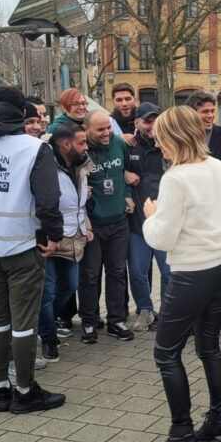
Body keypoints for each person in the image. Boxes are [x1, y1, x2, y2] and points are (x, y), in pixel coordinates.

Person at [0, 86, 65, 413]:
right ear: (22, 113)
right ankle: (24, 390)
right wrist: (53, 235)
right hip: (22, 244)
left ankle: (0, 389)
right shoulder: (34, 149)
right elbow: (48, 200)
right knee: (24, 322)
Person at [141, 106, 221, 442]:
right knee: (209, 347)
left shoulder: (175, 178)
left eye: (161, 137)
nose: (157, 143)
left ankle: (181, 433)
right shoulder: (217, 167)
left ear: (175, 138)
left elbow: (162, 239)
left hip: (192, 271)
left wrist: (150, 217)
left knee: (166, 353)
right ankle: (218, 419)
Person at [78, 110, 135, 343]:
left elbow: (126, 172)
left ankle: (116, 321)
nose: (107, 133)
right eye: (100, 129)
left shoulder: (120, 145)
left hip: (119, 220)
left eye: (108, 128)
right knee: (90, 275)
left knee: (118, 272)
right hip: (93, 223)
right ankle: (89, 322)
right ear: (87, 129)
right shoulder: (81, 150)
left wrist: (128, 194)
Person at [39, 123, 92, 363]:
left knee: (70, 285)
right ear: (65, 144)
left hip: (74, 236)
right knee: (47, 291)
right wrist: (46, 236)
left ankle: (45, 320)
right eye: (82, 142)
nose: (86, 146)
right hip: (49, 238)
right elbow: (41, 204)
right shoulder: (45, 165)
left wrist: (86, 225)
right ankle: (48, 338)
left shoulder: (81, 163)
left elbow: (80, 202)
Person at [125, 102, 169, 332]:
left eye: (155, 120)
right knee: (137, 271)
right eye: (147, 121)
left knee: (168, 272)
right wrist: (124, 172)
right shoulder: (127, 147)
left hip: (164, 223)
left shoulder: (169, 146)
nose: (152, 125)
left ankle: (168, 312)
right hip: (137, 225)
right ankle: (145, 310)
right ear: (137, 123)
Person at [184, 90, 221, 175]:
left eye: (212, 111)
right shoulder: (182, 135)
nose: (210, 116)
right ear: (192, 114)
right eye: (205, 111)